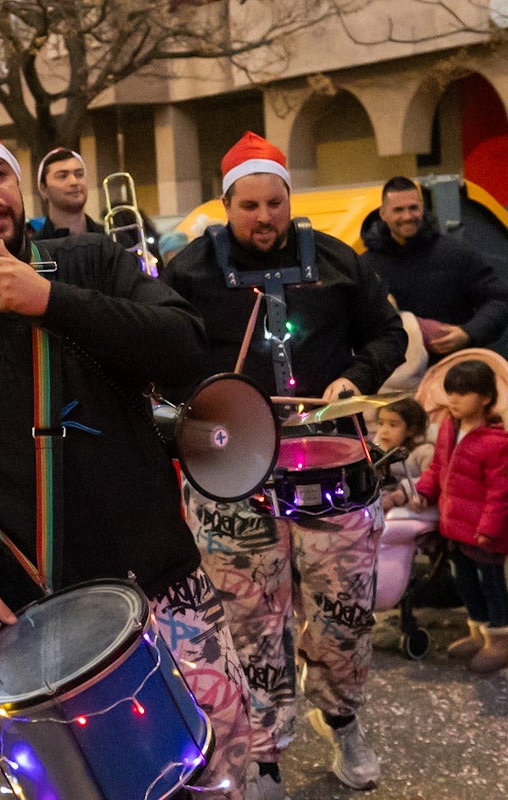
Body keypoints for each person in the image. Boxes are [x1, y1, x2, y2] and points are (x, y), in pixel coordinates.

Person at [0, 114, 251, 800]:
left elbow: (183, 344)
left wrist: (51, 301)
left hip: (167, 587)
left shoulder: (94, 262)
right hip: (41, 622)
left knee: (220, 776)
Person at [163, 131, 407, 798]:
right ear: (225, 205)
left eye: (275, 204)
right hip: (232, 479)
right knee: (249, 622)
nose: (264, 218)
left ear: (288, 201)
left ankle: (343, 715)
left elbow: (390, 333)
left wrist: (354, 378)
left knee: (346, 614)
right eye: (249, 206)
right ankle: (266, 752)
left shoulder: (338, 260)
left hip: (333, 467)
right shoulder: (185, 273)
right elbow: (162, 364)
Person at [410, 359, 508, 673]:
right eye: (450, 392)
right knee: (465, 582)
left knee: (491, 584)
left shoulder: (496, 443)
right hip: (455, 525)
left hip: (484, 532)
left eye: (463, 393)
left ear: (486, 398)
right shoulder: (449, 430)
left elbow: (500, 491)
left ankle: (501, 638)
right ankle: (478, 631)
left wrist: (490, 528)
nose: (453, 399)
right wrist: (425, 491)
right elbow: (438, 467)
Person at [360, 176, 508, 361]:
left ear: (422, 208)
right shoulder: (366, 266)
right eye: (398, 210)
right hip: (393, 377)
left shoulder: (454, 253)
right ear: (383, 214)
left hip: (455, 372)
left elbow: (498, 300)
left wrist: (468, 332)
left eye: (413, 208)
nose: (407, 216)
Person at [371, 398, 434, 514]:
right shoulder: (378, 447)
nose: (384, 430)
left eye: (393, 425)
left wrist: (404, 491)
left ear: (411, 430)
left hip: (417, 505)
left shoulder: (424, 452)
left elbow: (432, 480)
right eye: (380, 423)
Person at [29, 147, 103, 238]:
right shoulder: (34, 249)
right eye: (62, 176)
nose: (74, 182)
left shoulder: (112, 238)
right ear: (44, 189)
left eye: (79, 174)